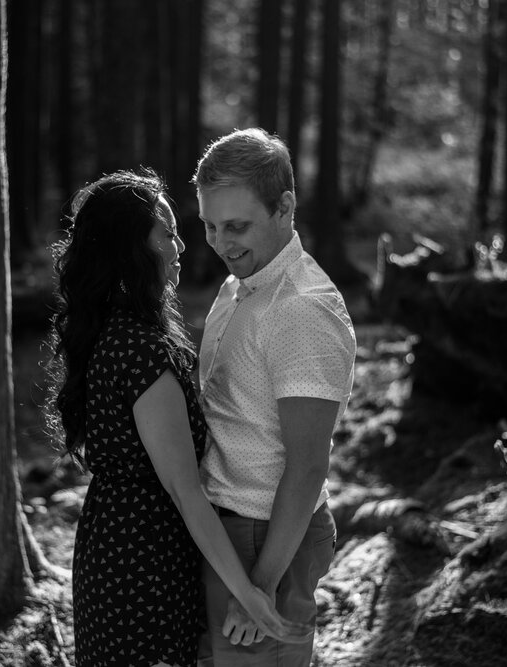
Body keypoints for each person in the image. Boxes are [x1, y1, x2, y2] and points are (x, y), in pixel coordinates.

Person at [46, 169, 311, 667]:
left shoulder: (109, 329)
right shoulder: (143, 353)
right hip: (145, 568)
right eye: (167, 232)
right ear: (132, 247)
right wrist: (251, 592)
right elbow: (185, 492)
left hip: (112, 547)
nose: (181, 246)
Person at [192, 129, 357, 666]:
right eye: (210, 226)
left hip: (266, 540)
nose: (220, 242)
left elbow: (308, 466)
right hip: (231, 530)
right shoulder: (243, 282)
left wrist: (258, 584)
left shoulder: (302, 310)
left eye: (236, 226)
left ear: (284, 207)